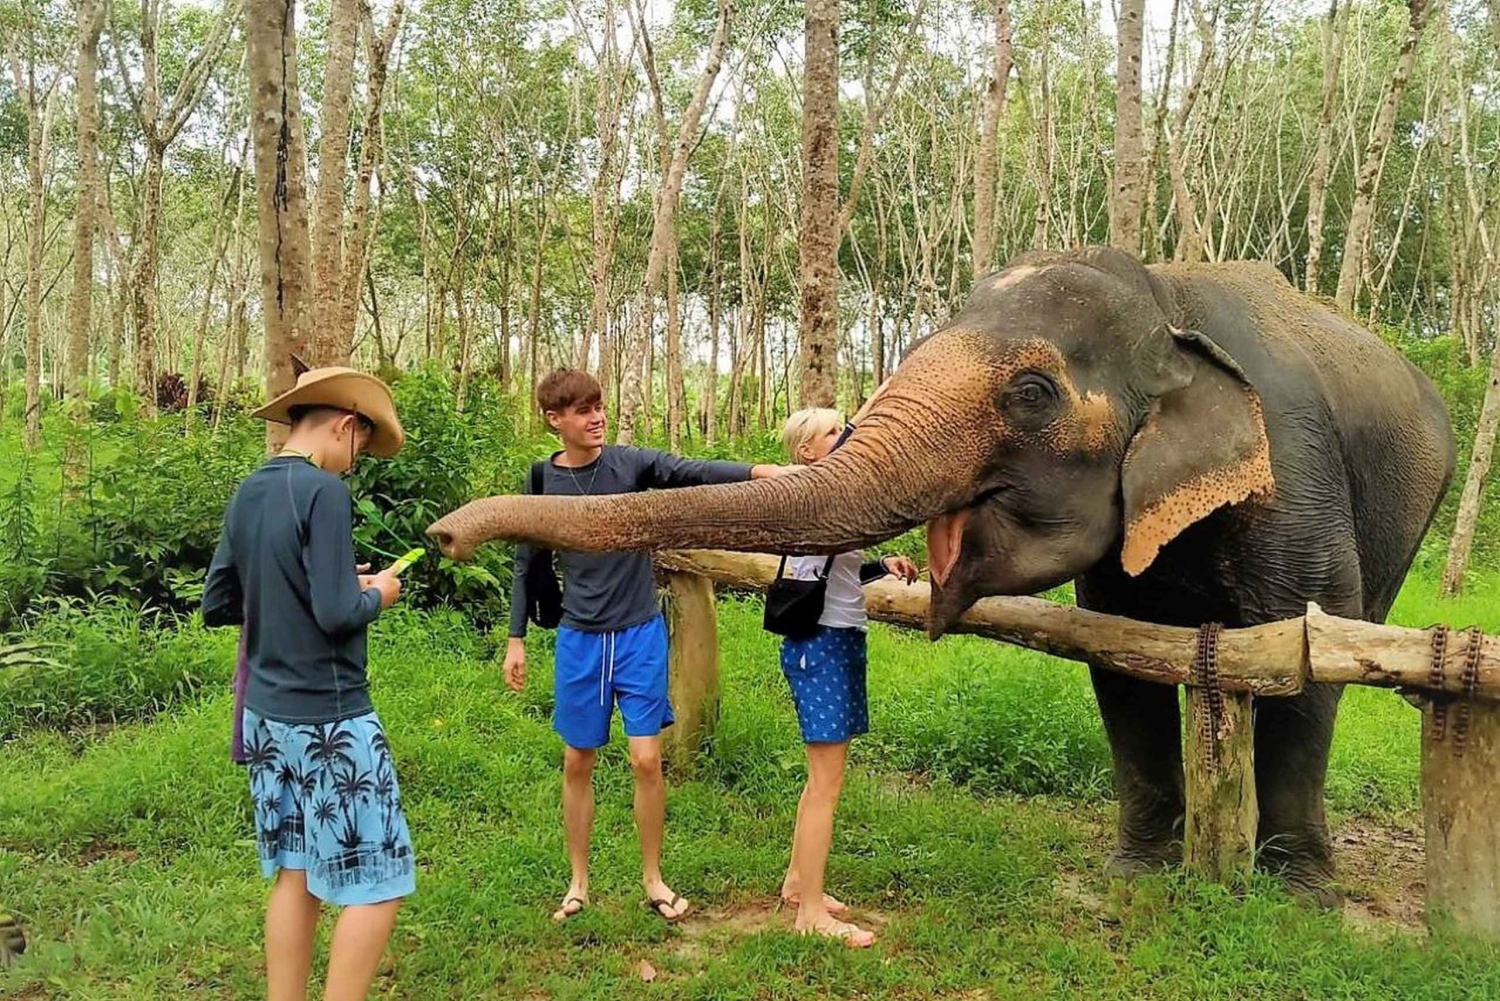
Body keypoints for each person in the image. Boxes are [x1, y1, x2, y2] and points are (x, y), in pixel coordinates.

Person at [505, 367, 790, 924]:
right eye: (583, 410)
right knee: (577, 760)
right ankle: (578, 883)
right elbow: (527, 562)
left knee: (646, 758)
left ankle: (654, 879)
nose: (597, 418)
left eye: (600, 406)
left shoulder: (629, 464)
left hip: (638, 632)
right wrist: (516, 639)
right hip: (580, 638)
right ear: (554, 420)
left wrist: (761, 470)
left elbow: (690, 471)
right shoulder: (543, 480)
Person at [203, 367, 411, 1001]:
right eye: (358, 451)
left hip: (266, 716)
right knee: (379, 881)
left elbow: (219, 602)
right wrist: (378, 594)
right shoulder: (323, 493)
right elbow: (336, 614)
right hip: (332, 719)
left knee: (295, 874)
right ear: (346, 427)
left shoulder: (250, 490)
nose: (353, 465)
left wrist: (316, 578)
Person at [774, 405, 918, 948]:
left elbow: (830, 569)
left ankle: (796, 882)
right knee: (826, 786)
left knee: (822, 781)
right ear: (806, 451)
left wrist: (882, 567)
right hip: (821, 647)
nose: (844, 436)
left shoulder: (831, 494)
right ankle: (811, 912)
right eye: (832, 432)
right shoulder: (816, 495)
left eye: (843, 427)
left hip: (840, 639)